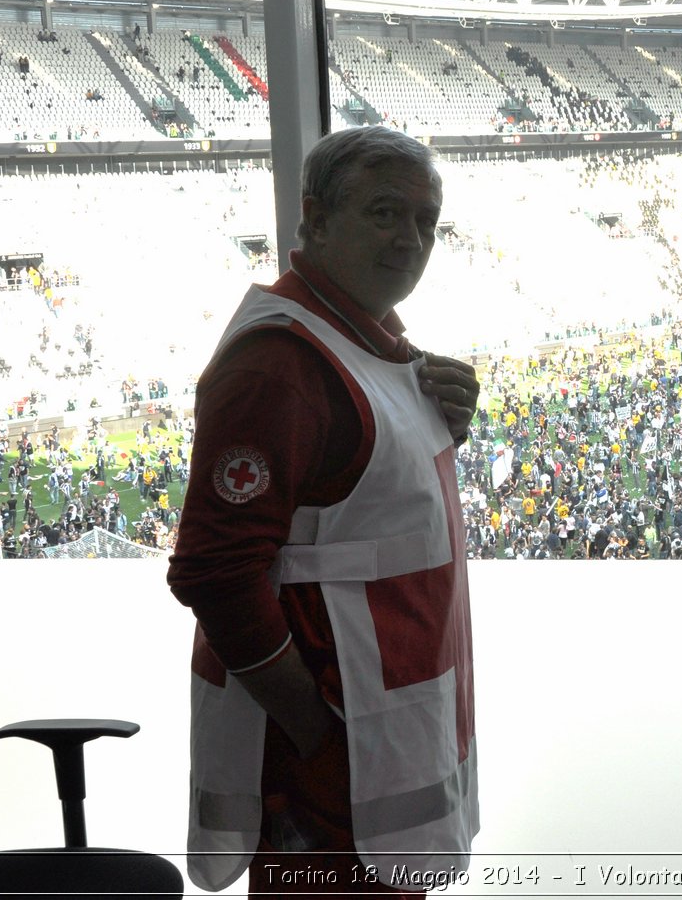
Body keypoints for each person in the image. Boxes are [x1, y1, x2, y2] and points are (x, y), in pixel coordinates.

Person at [169, 126, 482, 896]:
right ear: (314, 217)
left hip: (385, 733)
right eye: (384, 212)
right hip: (334, 756)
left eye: (425, 220)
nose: (410, 239)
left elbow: (361, 512)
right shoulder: (278, 367)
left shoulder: (366, 339)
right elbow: (213, 571)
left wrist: (441, 420)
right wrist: (315, 733)